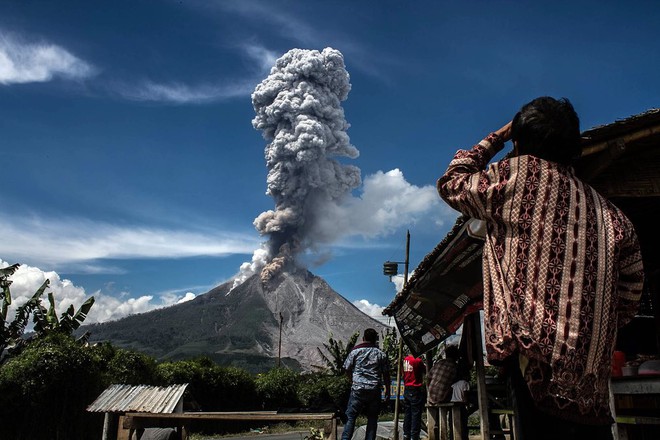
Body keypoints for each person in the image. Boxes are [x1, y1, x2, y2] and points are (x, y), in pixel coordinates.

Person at [437, 96, 644, 440]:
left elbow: (452, 182)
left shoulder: (512, 180)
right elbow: (630, 296)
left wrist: (496, 138)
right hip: (590, 385)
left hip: (534, 365)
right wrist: (591, 330)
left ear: (519, 142)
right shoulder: (613, 216)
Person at [341, 328, 391, 440]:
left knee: (351, 417)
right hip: (374, 389)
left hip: (358, 388)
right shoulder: (381, 354)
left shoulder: (355, 351)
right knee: (372, 418)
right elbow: (386, 374)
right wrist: (387, 390)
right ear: (375, 340)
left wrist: (353, 380)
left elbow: (346, 368)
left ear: (363, 339)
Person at [402, 352, 426, 440]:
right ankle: (414, 435)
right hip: (415, 388)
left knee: (407, 413)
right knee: (416, 414)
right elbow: (425, 370)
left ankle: (406, 434)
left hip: (407, 387)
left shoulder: (405, 360)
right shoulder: (417, 360)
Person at [450, 371, 470, 440]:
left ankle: (452, 437)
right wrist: (467, 404)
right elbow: (465, 395)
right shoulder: (465, 383)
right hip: (461, 403)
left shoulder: (455, 384)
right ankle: (464, 437)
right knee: (463, 422)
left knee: (453, 422)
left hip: (453, 403)